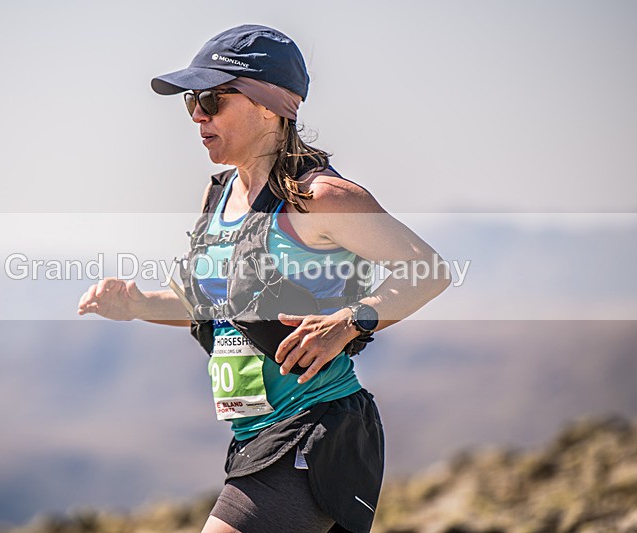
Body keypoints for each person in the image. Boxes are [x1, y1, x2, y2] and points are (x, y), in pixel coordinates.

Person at [78, 24, 451, 533]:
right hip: (253, 437)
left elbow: (428, 270)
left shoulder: (322, 198)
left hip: (316, 430)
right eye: (192, 101)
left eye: (212, 98)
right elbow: (212, 306)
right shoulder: (219, 196)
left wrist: (350, 320)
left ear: (269, 105)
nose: (197, 116)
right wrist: (138, 302)